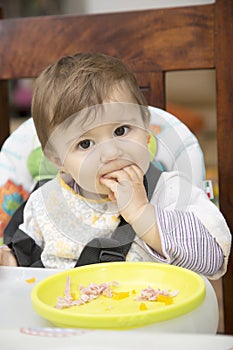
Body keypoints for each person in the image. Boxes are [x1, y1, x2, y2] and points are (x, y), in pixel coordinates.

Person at [0, 53, 231, 279]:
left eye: (121, 130)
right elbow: (26, 259)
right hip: (64, 315)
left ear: (145, 130)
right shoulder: (46, 202)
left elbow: (213, 260)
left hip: (149, 314)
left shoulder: (170, 192)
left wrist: (143, 215)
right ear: (59, 161)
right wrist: (10, 261)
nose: (110, 153)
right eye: (85, 143)